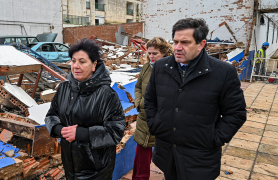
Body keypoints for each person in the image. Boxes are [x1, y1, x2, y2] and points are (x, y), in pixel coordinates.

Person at [144, 18, 246, 180]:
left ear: (201, 44)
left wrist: (215, 137)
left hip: (200, 158)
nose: (177, 47)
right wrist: (155, 124)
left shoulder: (223, 73)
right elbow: (150, 101)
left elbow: (236, 113)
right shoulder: (161, 68)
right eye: (175, 41)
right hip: (168, 154)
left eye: (185, 42)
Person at [45, 38, 125, 180]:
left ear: (94, 65)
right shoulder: (64, 88)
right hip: (70, 165)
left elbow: (115, 131)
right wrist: (59, 129)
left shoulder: (106, 94)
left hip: (96, 169)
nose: (76, 66)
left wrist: (82, 133)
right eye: (73, 61)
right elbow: (52, 115)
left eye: (82, 62)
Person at [132, 37, 173, 180]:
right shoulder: (146, 67)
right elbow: (138, 86)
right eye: (149, 53)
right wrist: (139, 103)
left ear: (164, 53)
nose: (151, 56)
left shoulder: (170, 70)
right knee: (142, 151)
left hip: (161, 118)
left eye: (154, 53)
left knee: (168, 154)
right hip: (144, 116)